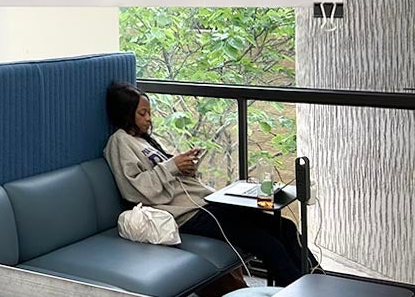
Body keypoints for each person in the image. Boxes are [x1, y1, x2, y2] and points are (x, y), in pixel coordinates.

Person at [103, 81, 309, 287]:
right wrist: (173, 166)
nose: (149, 118)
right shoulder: (119, 142)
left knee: (286, 228)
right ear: (126, 114)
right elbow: (136, 191)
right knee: (269, 245)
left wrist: (186, 168)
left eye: (149, 112)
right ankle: (301, 292)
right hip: (188, 216)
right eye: (142, 113)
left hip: (206, 203)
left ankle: (318, 283)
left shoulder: (145, 140)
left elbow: (169, 176)